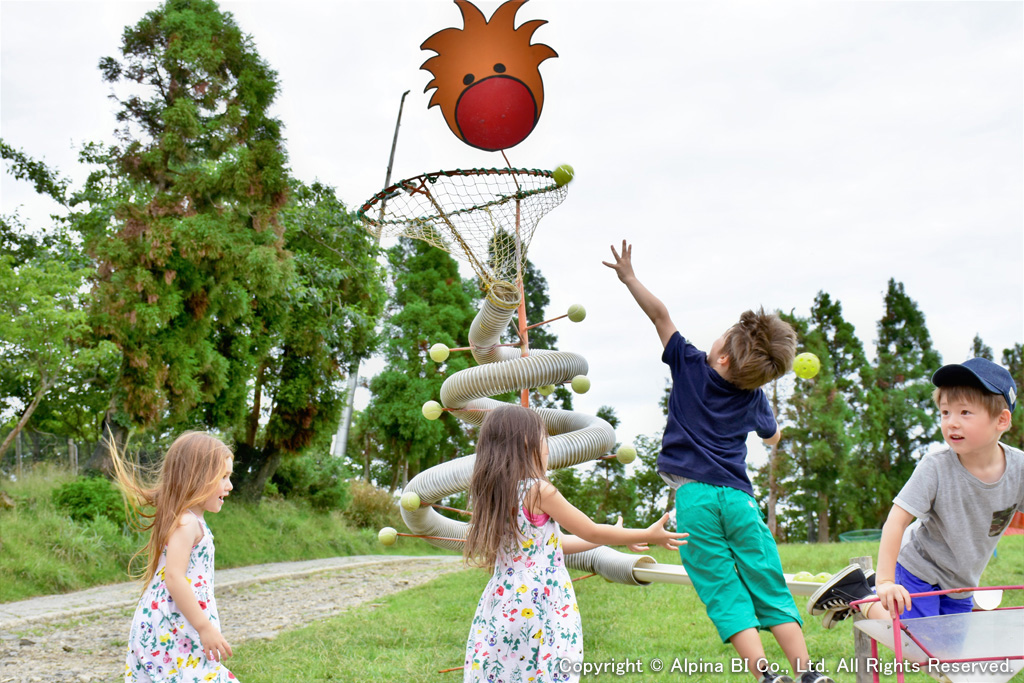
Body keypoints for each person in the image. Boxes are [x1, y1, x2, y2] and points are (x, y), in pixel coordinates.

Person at [603, 240, 833, 683]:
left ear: (722, 356)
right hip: (740, 503)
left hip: (696, 502)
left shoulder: (690, 366)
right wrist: (776, 432)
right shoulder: (755, 398)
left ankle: (767, 676)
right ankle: (808, 674)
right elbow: (771, 435)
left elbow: (660, 315)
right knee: (768, 582)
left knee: (723, 589)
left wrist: (629, 276)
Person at [462, 404, 688, 683]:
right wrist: (644, 534)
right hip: (541, 599)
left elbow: (551, 544)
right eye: (545, 439)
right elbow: (592, 531)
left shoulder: (496, 493)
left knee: (509, 672)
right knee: (545, 670)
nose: (548, 448)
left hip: (503, 599)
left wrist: (617, 537)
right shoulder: (539, 490)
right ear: (526, 443)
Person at [807, 357, 1023, 624]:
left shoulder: (1019, 468)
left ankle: (866, 588)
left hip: (962, 582)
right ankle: (861, 594)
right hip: (920, 568)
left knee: (946, 658)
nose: (951, 422)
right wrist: (887, 581)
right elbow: (896, 522)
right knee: (916, 641)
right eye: (945, 412)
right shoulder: (936, 466)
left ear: (1001, 420)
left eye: (965, 412)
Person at [111, 431, 238, 683]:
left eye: (229, 476)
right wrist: (204, 628)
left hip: (173, 619)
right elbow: (174, 578)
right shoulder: (187, 522)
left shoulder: (189, 519)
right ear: (197, 477)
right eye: (222, 477)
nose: (229, 485)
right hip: (173, 622)